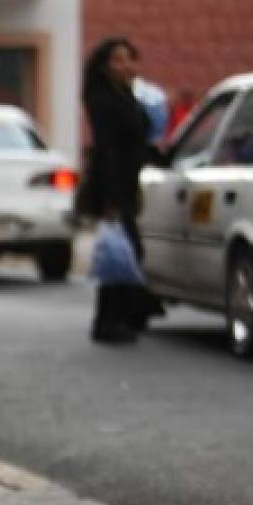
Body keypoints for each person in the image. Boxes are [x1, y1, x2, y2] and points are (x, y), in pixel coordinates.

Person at [80, 36, 163, 344]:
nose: (126, 65)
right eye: (118, 60)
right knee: (122, 254)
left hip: (127, 185)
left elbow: (137, 142)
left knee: (123, 254)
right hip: (113, 187)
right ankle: (110, 320)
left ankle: (119, 317)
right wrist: (111, 200)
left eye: (129, 58)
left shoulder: (126, 94)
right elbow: (110, 150)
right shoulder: (103, 99)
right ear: (104, 67)